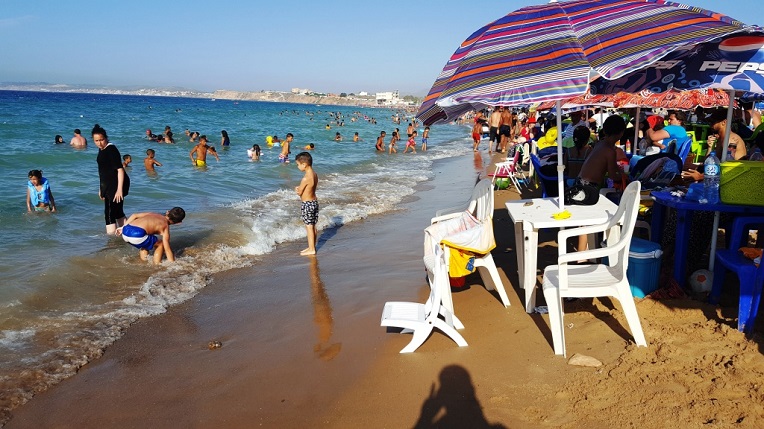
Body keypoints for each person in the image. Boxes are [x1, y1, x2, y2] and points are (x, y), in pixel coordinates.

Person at [93, 124, 130, 234]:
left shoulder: (111, 149)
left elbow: (120, 170)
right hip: (108, 184)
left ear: (106, 138)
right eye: (96, 141)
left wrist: (119, 190)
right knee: (118, 211)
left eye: (101, 140)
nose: (99, 143)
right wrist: (101, 188)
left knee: (109, 212)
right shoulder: (102, 149)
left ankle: (112, 242)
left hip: (117, 183)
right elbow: (103, 171)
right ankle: (127, 234)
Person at [116, 207, 185, 264]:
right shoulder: (165, 227)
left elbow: (134, 215)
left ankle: (144, 262)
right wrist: (173, 264)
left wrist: (122, 228)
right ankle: (157, 264)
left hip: (125, 231)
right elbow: (167, 249)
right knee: (161, 244)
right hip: (137, 235)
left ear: (167, 212)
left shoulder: (153, 214)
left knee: (146, 242)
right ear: (178, 223)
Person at [295, 152, 319, 256]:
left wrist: (296, 189)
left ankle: (312, 249)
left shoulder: (305, 178)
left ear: (304, 164)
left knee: (309, 226)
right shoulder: (314, 174)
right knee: (313, 226)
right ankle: (311, 246)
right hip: (314, 202)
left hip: (307, 204)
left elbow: (300, 192)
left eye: (298, 164)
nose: (298, 166)